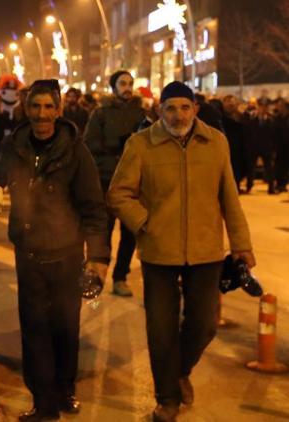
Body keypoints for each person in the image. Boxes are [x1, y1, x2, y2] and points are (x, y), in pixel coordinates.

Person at [108, 81, 255, 422]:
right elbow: (118, 194)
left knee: (204, 325)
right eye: (171, 108)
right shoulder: (140, 144)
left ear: (195, 109)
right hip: (159, 252)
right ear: (159, 111)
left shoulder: (216, 143)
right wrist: (146, 223)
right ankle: (167, 399)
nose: (178, 115)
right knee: (160, 329)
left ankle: (180, 371)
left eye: (185, 107)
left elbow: (229, 198)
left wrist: (241, 245)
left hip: (206, 252)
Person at [0, 79, 109, 421]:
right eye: (35, 107)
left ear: (58, 110)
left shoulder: (76, 150)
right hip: (30, 256)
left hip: (67, 256)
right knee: (35, 329)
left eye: (48, 107)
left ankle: (65, 389)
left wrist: (98, 259)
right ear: (27, 109)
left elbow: (94, 208)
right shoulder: (14, 146)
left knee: (65, 327)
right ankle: (44, 402)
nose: (42, 115)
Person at [83, 69, 145, 297]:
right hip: (107, 180)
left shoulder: (142, 113)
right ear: (114, 86)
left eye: (130, 83)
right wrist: (115, 144)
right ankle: (98, 275)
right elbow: (89, 143)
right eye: (122, 83)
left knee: (130, 233)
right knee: (104, 231)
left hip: (133, 184)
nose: (127, 87)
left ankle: (121, 277)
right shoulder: (100, 113)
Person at [245, 97, 278, 194]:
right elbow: (248, 133)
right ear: (258, 107)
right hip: (254, 147)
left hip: (267, 147)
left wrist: (273, 147)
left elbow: (274, 135)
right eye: (261, 106)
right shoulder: (252, 119)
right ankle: (249, 186)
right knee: (251, 168)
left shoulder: (271, 120)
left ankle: (271, 187)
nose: (263, 109)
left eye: (265, 107)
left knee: (269, 168)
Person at [220, 95, 249, 188]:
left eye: (232, 104)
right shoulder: (220, 118)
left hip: (239, 150)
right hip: (226, 149)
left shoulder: (242, 117)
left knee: (237, 170)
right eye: (228, 103)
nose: (230, 105)